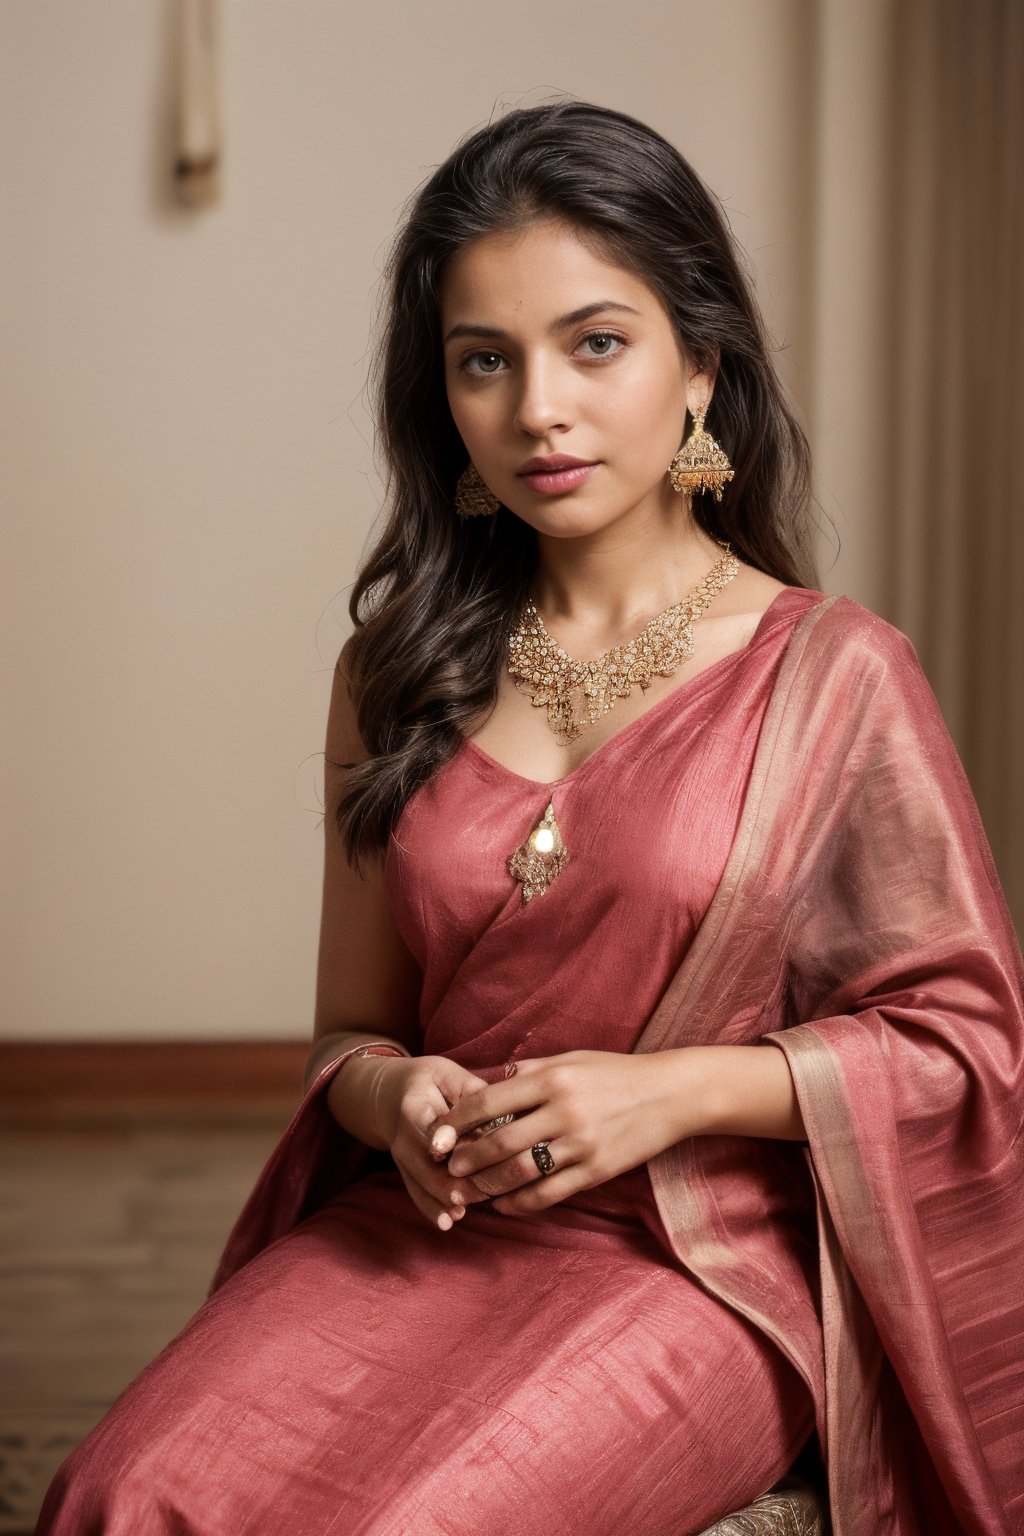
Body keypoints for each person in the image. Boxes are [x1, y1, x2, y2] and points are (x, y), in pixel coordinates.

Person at [37, 100, 1023, 1536]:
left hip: (695, 1259)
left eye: (595, 343)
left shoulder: (833, 675)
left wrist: (669, 1090)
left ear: (701, 366)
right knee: (123, 1497)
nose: (537, 409)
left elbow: (966, 1045)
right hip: (420, 1228)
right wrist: (402, 1101)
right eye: (482, 362)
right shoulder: (396, 671)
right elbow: (352, 1035)